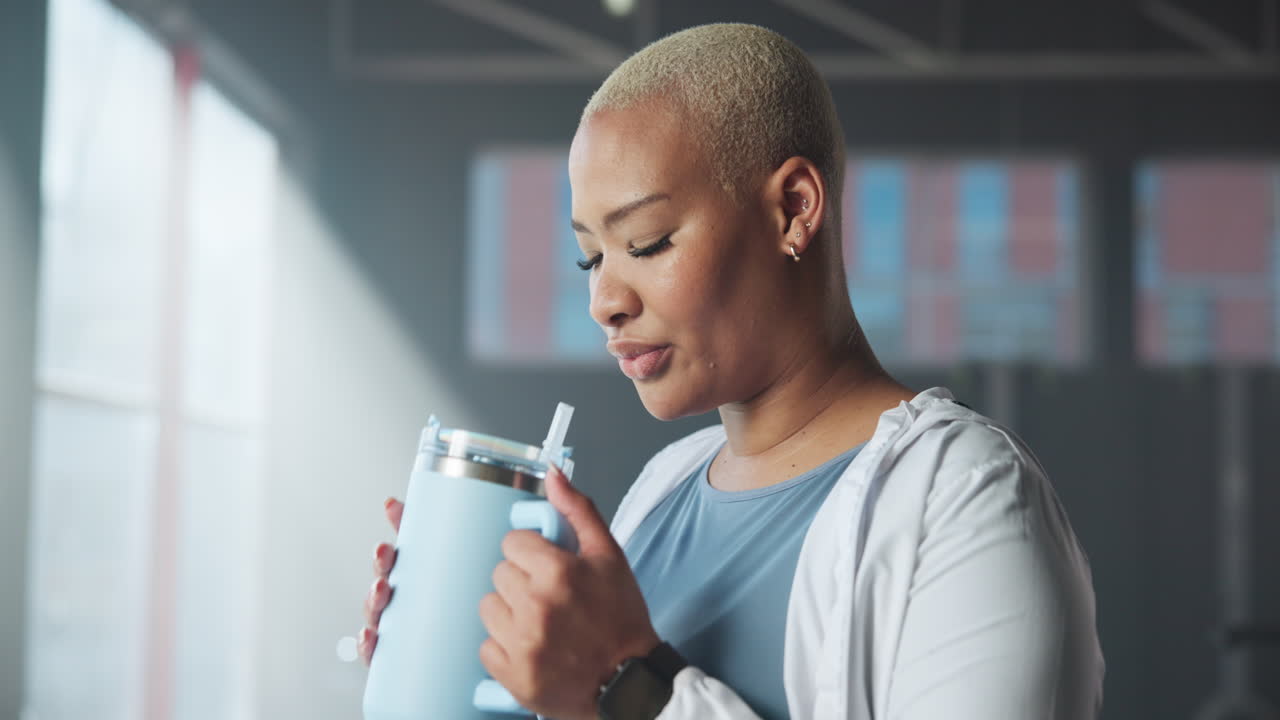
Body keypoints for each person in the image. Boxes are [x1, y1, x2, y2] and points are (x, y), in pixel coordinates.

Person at [359, 22, 1104, 720]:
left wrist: (628, 684)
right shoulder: (660, 495)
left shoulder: (963, 496)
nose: (605, 300)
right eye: (590, 256)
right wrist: (475, 670)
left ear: (794, 208)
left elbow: (627, 696)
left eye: (646, 242)